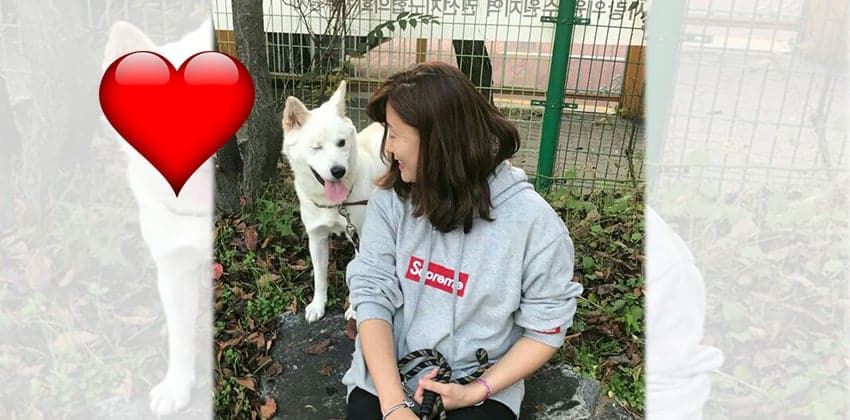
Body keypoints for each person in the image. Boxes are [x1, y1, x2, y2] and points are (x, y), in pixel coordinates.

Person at [341, 61, 583, 420]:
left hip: (481, 385)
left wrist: (476, 391)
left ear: (438, 140)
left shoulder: (535, 225)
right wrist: (393, 405)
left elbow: (546, 327)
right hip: (386, 378)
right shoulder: (392, 199)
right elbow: (371, 294)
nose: (388, 148)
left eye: (395, 133)